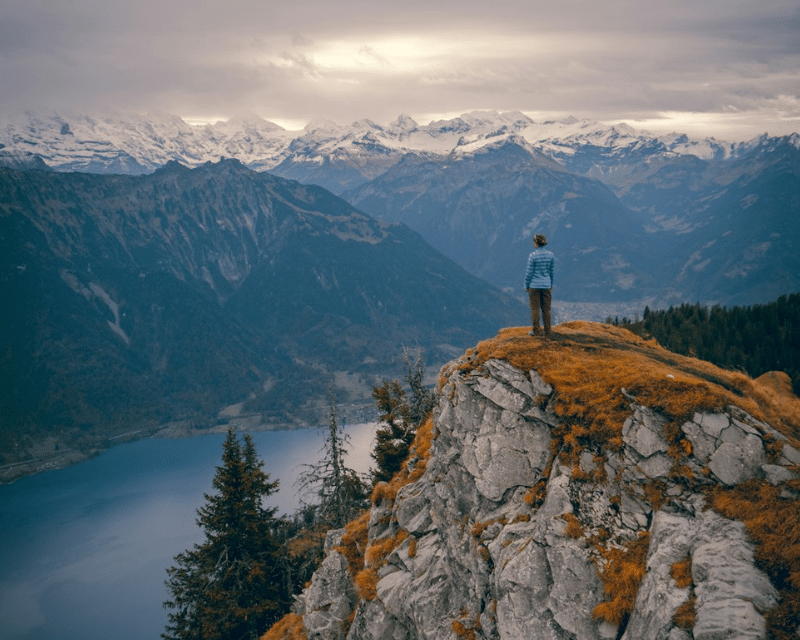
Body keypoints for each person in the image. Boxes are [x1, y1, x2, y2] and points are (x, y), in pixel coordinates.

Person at [524, 234, 555, 337]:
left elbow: (529, 273)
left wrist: (526, 285)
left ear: (536, 243)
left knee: (535, 309)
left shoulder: (532, 256)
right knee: (546, 309)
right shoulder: (551, 255)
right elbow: (552, 272)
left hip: (534, 286)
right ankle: (548, 332)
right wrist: (551, 284)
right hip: (546, 285)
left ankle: (536, 331)